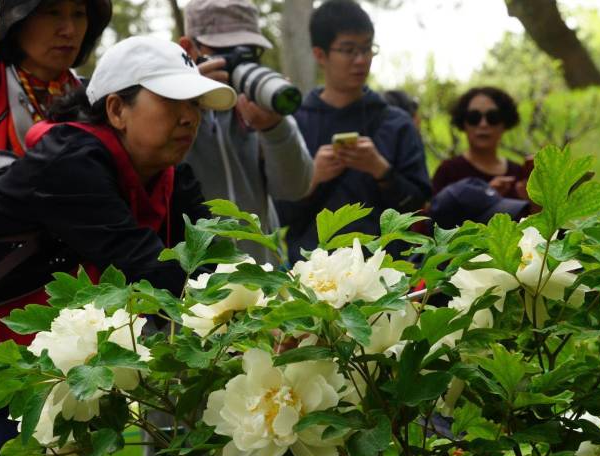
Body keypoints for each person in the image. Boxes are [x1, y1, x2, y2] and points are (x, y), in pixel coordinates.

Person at [0, 36, 236, 456]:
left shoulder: (170, 174)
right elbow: (148, 268)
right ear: (116, 109)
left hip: (48, 367)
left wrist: (271, 307)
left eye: (195, 102)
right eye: (172, 100)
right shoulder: (68, 162)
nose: (190, 117)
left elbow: (218, 258)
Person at [275, 0, 430, 263]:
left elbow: (418, 208)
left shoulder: (396, 123)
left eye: (367, 48)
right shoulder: (294, 124)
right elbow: (275, 216)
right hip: (313, 276)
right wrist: (312, 179)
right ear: (320, 55)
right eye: (348, 50)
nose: (361, 60)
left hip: (385, 273)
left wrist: (382, 171)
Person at [177, 0, 313, 265]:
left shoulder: (260, 101)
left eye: (249, 51)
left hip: (263, 280)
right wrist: (187, 105)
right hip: (193, 286)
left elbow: (295, 188)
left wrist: (274, 127)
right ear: (188, 49)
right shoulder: (169, 108)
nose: (237, 62)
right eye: (225, 51)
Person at [0, 0, 112, 163]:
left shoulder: (104, 104)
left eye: (78, 13)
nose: (70, 30)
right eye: (53, 12)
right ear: (17, 21)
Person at [430, 86, 528, 201]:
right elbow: (434, 214)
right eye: (474, 117)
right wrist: (485, 195)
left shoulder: (518, 173)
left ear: (504, 124)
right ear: (463, 124)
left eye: (493, 117)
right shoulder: (448, 171)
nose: (483, 124)